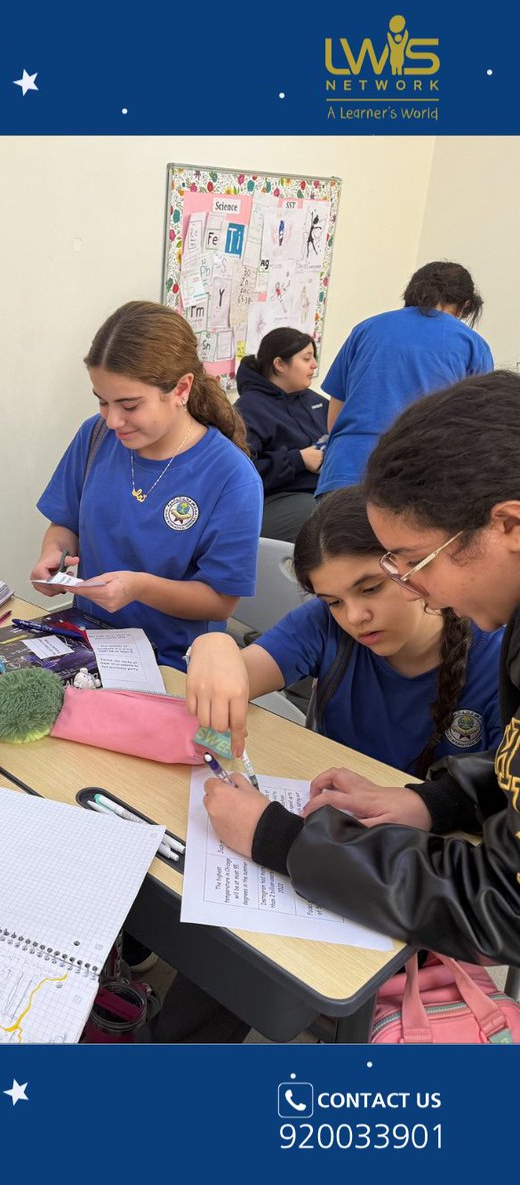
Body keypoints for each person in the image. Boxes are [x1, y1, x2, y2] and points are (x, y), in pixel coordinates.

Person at [205, 371, 520, 967]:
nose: (420, 588)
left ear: (508, 526)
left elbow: (503, 899)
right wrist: (437, 802)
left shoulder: (488, 638)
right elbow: (509, 776)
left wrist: (283, 841)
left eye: (412, 563)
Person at [186, 486, 503, 776]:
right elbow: (232, 681)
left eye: (371, 589)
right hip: (332, 816)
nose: (354, 617)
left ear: (411, 566)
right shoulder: (322, 622)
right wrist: (213, 645)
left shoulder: (498, 658)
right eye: (334, 601)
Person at [32, 300, 263, 669]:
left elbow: (220, 600)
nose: (113, 421)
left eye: (130, 405)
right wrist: (53, 557)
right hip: (86, 642)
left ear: (181, 389)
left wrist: (139, 588)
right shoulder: (94, 438)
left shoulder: (231, 477)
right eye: (103, 403)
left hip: (172, 663)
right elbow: (65, 523)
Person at [315, 261, 492, 497]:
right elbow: (477, 429)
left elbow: (335, 417)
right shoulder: (472, 344)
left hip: (346, 467)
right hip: (420, 475)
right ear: (465, 305)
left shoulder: (366, 329)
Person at [233, 328, 328, 542]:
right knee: (332, 516)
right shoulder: (250, 409)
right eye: (306, 358)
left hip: (321, 489)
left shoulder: (313, 400)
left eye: (314, 357)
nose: (314, 365)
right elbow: (239, 474)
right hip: (275, 499)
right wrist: (298, 460)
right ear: (279, 365)